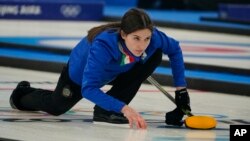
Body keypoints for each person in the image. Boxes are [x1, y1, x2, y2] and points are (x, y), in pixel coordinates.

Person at [9, 8, 191, 129]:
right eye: (136, 38)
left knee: (155, 55)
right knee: (56, 106)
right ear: (123, 34)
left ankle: (106, 111)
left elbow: (175, 50)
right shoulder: (103, 45)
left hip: (119, 69)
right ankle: (21, 94)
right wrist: (124, 108)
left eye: (146, 38)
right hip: (80, 76)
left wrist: (181, 92)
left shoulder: (153, 38)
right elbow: (89, 89)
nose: (142, 44)